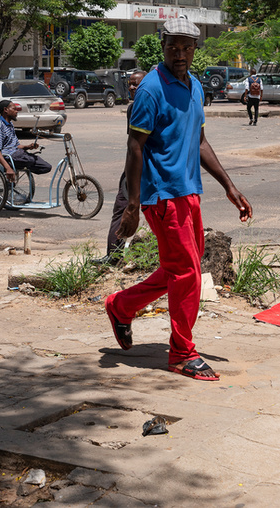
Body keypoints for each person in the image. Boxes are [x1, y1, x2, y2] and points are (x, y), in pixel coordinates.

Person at [104, 19, 252, 381]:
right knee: (187, 271)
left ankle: (121, 306)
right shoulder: (151, 90)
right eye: (174, 46)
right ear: (163, 44)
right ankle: (182, 353)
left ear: (195, 49)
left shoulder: (195, 86)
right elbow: (135, 146)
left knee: (178, 268)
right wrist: (133, 206)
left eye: (187, 47)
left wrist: (229, 186)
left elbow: (199, 142)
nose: (180, 54)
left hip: (189, 191)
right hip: (162, 195)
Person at [102, 69, 147, 261]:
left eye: (136, 84)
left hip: (147, 168)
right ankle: (114, 255)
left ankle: (114, 256)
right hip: (135, 167)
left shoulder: (148, 106)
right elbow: (133, 145)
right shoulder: (132, 108)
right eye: (130, 83)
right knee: (122, 209)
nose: (131, 87)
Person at [0, 99, 53, 187]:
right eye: (14, 109)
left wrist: (28, 146)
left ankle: (25, 166)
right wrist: (8, 168)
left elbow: (16, 145)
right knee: (29, 159)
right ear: (6, 110)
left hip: (17, 153)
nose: (16, 111)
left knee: (46, 167)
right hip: (8, 156)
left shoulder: (10, 125)